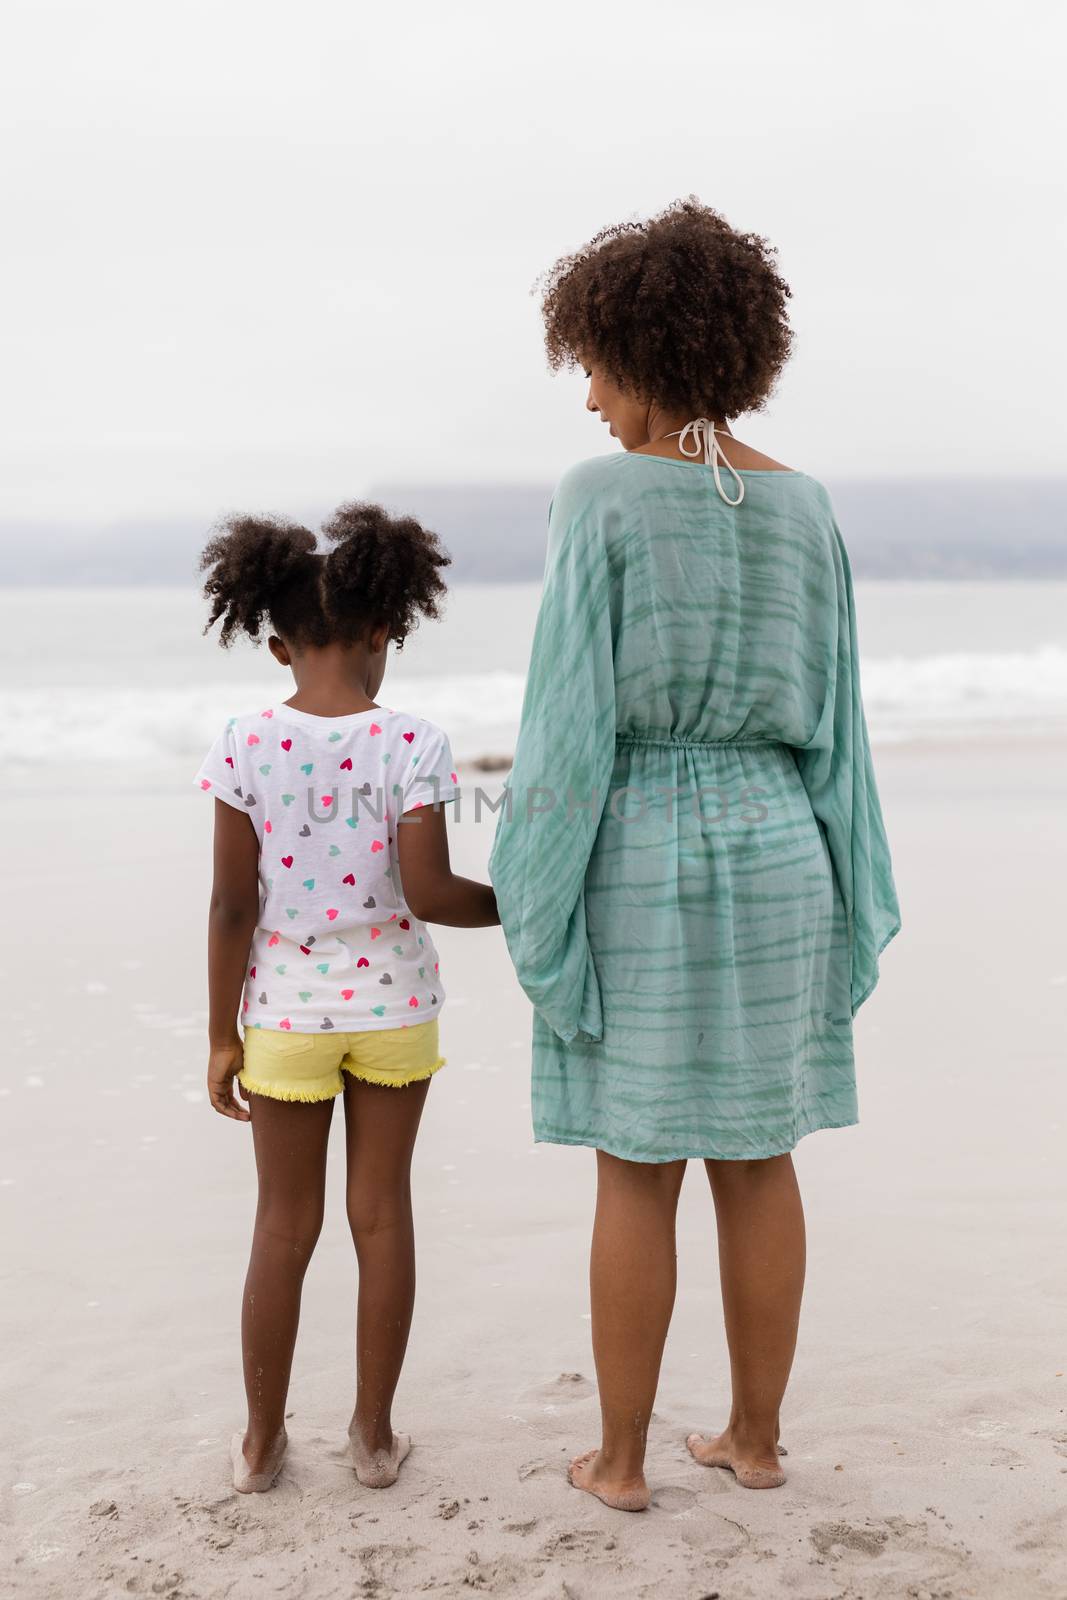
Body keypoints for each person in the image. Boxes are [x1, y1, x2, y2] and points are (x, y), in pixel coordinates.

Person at [488, 198, 901, 1510]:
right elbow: (837, 723)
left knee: (636, 1160)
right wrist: (850, 896)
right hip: (781, 845)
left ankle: (615, 1463)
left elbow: (565, 725)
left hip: (644, 847)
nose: (590, 399)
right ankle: (755, 1443)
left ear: (638, 350)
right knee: (758, 1152)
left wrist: (528, 900)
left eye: (595, 368)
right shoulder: (805, 508)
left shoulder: (598, 497)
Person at [194, 502, 498, 1494]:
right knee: (381, 1215)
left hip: (282, 1012)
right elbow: (431, 894)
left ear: (275, 644)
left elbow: (233, 903)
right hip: (393, 1010)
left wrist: (217, 1035)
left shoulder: (243, 742)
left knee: (282, 1226)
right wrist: (522, 907)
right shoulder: (411, 741)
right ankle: (371, 1437)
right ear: (383, 631)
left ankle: (258, 1442)